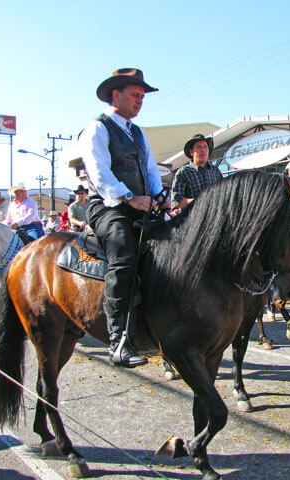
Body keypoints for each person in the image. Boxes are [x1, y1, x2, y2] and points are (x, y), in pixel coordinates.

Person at [79, 67, 163, 367]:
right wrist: (130, 197)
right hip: (108, 206)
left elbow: (151, 169)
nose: (139, 101)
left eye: (142, 97)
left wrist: (157, 196)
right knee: (124, 253)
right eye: (135, 95)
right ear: (116, 95)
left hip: (141, 204)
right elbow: (99, 173)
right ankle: (118, 341)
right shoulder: (97, 128)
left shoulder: (138, 133)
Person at [171, 133, 222, 210]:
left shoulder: (216, 172)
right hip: (193, 219)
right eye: (199, 147)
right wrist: (200, 200)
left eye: (205, 147)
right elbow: (176, 202)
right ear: (191, 152)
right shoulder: (183, 172)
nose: (203, 150)